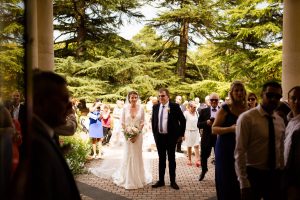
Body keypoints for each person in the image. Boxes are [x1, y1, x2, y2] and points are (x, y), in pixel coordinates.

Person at [11, 70, 81, 199]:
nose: (70, 105)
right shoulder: (37, 148)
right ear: (42, 102)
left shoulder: (43, 137)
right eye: (63, 99)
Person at [235, 81, 285, 200]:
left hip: (274, 175)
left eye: (277, 97)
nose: (273, 99)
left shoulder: (280, 121)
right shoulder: (247, 118)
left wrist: (282, 172)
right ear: (262, 94)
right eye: (269, 95)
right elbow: (240, 152)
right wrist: (243, 183)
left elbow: (280, 148)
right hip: (253, 174)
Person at [212, 81, 248, 200]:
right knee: (226, 178)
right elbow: (214, 129)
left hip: (242, 148)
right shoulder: (225, 108)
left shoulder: (248, 108)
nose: (239, 93)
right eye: (236, 90)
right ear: (231, 93)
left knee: (240, 177)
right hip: (225, 148)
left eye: (241, 90)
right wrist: (231, 129)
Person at [112, 91, 152, 189]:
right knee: (128, 154)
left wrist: (137, 133)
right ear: (129, 98)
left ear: (137, 98)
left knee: (137, 155)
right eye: (132, 97)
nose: (133, 99)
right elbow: (122, 122)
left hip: (138, 136)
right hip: (128, 136)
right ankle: (127, 178)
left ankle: (138, 178)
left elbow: (143, 122)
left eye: (135, 97)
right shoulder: (125, 108)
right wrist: (128, 134)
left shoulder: (141, 108)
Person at [152, 88, 186, 190]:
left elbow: (183, 120)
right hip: (160, 138)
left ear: (168, 96)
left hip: (171, 138)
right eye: (159, 96)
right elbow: (153, 121)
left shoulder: (174, 106)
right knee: (161, 159)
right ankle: (161, 181)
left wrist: (180, 134)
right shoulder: (155, 107)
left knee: (171, 159)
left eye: (163, 96)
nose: (161, 98)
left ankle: (172, 181)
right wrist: (155, 134)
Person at [282, 86, 300, 200]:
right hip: (285, 175)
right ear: (288, 101)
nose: (297, 102)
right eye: (293, 98)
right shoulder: (289, 121)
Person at [197, 92, 219, 181]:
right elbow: (198, 124)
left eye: (216, 100)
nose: (214, 101)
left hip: (218, 137)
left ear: (218, 101)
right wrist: (206, 122)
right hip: (207, 137)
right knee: (204, 156)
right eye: (212, 100)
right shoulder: (204, 111)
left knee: (219, 156)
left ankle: (219, 174)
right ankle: (204, 170)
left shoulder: (222, 110)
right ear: (209, 101)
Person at [183, 101, 200, 167]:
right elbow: (183, 124)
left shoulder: (197, 113)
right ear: (190, 107)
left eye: (196, 107)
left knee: (197, 145)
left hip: (196, 131)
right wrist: (183, 133)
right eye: (194, 107)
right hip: (188, 131)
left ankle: (197, 160)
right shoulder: (186, 113)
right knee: (189, 146)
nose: (195, 108)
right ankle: (189, 159)